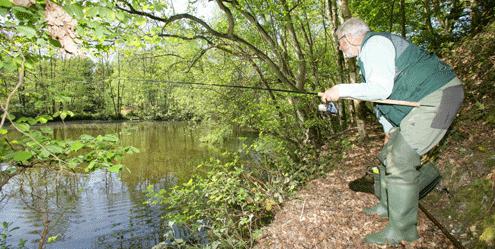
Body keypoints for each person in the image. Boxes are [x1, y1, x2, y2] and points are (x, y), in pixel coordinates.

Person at [321, 18, 464, 245]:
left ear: (349, 37)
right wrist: (390, 130)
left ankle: (402, 231)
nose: (339, 47)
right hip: (420, 103)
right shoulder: (369, 53)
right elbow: (384, 100)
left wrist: (341, 89)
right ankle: (388, 206)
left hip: (438, 97)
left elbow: (380, 89)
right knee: (387, 155)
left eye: (340, 42)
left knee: (400, 161)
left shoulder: (374, 45)